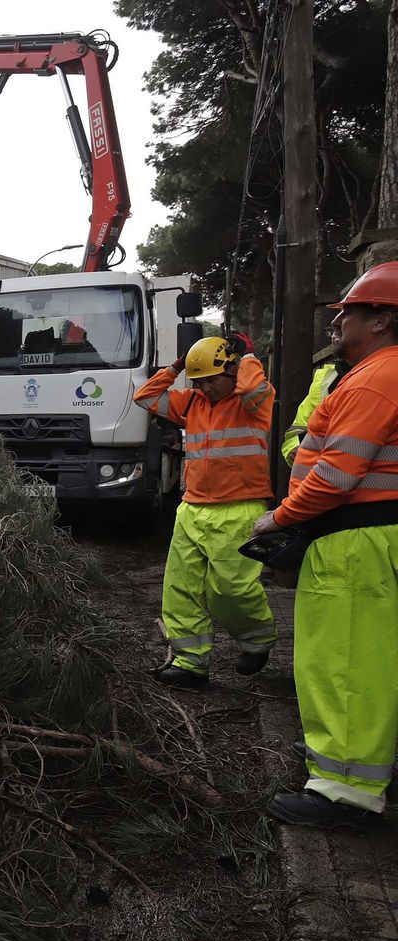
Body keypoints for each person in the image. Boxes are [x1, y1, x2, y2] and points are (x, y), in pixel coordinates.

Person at [252, 261, 398, 828]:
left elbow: (337, 476)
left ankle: (346, 793)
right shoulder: (377, 373)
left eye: (349, 314)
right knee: (372, 658)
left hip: (354, 541)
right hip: (370, 535)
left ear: (382, 318)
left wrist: (278, 519)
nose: (338, 326)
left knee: (344, 661)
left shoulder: (374, 377)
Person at [133, 335, 277, 687]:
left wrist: (248, 357)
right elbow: (146, 396)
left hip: (240, 508)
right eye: (199, 381)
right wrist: (179, 365)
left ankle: (257, 641)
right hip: (192, 507)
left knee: (230, 590)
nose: (207, 387)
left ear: (232, 371)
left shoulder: (253, 401)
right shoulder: (192, 403)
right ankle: (190, 662)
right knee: (181, 588)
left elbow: (254, 390)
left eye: (213, 379)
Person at [280, 321, 348, 463]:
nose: (335, 338)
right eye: (333, 332)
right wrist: (294, 448)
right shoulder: (327, 376)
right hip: (320, 476)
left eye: (340, 332)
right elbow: (297, 429)